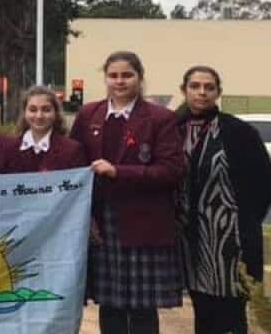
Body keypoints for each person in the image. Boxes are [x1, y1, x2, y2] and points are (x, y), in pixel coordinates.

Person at [70, 50, 185, 334]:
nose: (119, 81)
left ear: (139, 78)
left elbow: (172, 170)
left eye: (127, 75)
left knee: (142, 309)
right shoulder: (88, 115)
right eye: (113, 75)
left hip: (144, 222)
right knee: (109, 306)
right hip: (101, 223)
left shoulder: (161, 118)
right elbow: (71, 160)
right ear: (105, 78)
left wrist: (118, 171)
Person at [175, 65, 271, 334]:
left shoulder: (237, 132)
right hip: (190, 238)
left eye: (209, 87)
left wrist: (246, 221)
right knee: (201, 308)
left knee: (232, 310)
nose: (202, 92)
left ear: (218, 92)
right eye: (195, 86)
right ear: (184, 90)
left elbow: (263, 183)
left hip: (230, 239)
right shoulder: (174, 130)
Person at [6, 85, 87, 173]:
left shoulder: (72, 151)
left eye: (46, 110)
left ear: (56, 113)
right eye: (33, 110)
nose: (39, 116)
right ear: (24, 112)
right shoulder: (9, 150)